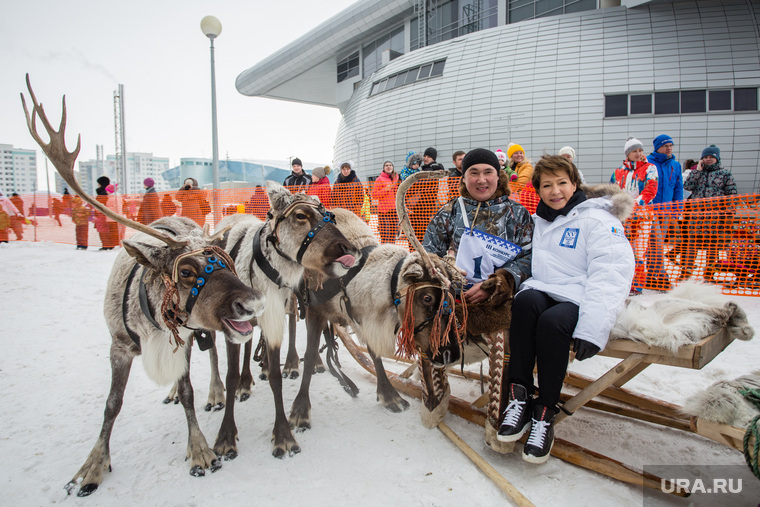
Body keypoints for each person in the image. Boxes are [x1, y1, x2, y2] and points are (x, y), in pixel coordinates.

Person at [497, 154, 635, 463]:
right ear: (538, 189)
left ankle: (544, 412)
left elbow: (611, 272)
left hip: (582, 296)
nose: (555, 191)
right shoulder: (541, 220)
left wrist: (592, 327)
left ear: (575, 184)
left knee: (551, 323)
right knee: (525, 302)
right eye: (547, 185)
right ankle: (518, 397)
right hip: (546, 288)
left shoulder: (599, 219)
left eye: (562, 183)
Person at [423, 148, 533, 302]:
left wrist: (496, 284)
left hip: (504, 302)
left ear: (498, 176)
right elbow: (429, 255)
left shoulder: (517, 213)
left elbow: (529, 257)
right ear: (463, 178)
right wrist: (448, 271)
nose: (481, 180)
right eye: (474, 173)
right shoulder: (451, 211)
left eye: (488, 172)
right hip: (457, 300)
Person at [679, 145, 738, 282]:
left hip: (715, 217)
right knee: (691, 245)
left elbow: (731, 195)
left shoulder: (725, 174)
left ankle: (709, 273)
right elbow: (687, 187)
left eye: (711, 157)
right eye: (705, 157)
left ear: (717, 158)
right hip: (696, 216)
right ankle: (686, 272)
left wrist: (728, 215)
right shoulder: (696, 173)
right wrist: (697, 171)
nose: (708, 159)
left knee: (712, 247)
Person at [610, 137, 659, 293]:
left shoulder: (650, 168)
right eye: (634, 151)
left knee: (638, 249)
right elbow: (612, 191)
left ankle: (636, 285)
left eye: (640, 150)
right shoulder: (619, 171)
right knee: (621, 250)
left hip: (642, 216)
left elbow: (650, 190)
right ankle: (621, 282)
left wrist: (634, 205)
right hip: (622, 217)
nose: (638, 154)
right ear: (627, 154)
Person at [646, 134, 683, 290]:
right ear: (658, 147)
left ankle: (651, 274)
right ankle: (661, 275)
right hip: (650, 210)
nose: (669, 148)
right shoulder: (647, 162)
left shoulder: (675, 165)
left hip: (666, 211)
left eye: (671, 145)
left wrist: (677, 209)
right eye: (666, 146)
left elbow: (678, 187)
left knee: (656, 244)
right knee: (656, 242)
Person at [371, 160, 400, 244]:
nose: (388, 166)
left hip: (394, 211)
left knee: (393, 234)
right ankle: (384, 253)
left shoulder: (396, 179)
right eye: (386, 165)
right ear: (384, 168)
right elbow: (374, 195)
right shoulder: (379, 179)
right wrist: (386, 189)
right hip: (384, 211)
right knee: (385, 234)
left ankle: (392, 252)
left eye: (390, 165)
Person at [94, 177, 119, 250]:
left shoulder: (103, 194)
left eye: (98, 183)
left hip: (103, 216)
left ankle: (106, 245)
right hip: (105, 216)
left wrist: (98, 211)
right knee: (107, 231)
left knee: (103, 231)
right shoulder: (107, 193)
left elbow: (101, 205)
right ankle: (108, 244)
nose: (98, 185)